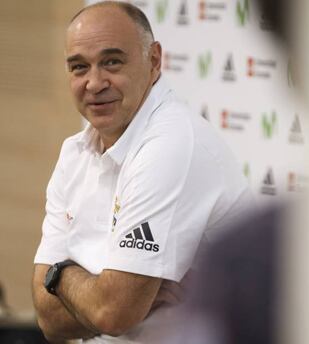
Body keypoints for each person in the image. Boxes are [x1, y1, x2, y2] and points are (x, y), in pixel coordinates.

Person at [31, 1, 253, 343]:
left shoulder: (171, 144)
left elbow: (113, 312)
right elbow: (48, 319)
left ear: (154, 60)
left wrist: (58, 276)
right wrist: (79, 285)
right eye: (79, 67)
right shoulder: (75, 152)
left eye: (112, 62)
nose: (94, 83)